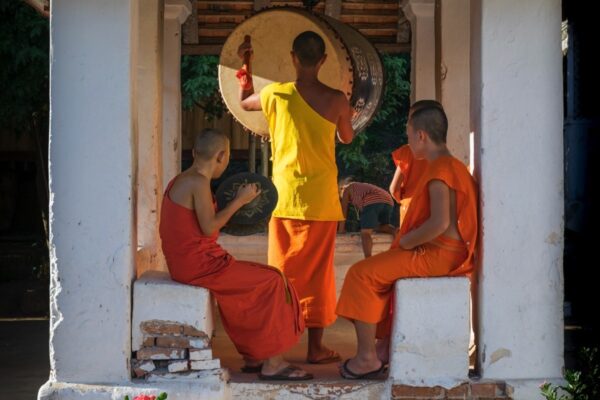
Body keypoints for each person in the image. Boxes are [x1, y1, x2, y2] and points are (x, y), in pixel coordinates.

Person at [335, 103, 478, 379]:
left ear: (421, 136)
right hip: (443, 252)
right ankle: (385, 347)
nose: (409, 141)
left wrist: (408, 241)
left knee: (360, 274)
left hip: (436, 255)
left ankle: (366, 360)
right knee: (379, 275)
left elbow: (439, 223)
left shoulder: (439, 171)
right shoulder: (452, 165)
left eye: (409, 134)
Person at [236, 31, 355, 364]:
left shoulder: (275, 94)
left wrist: (246, 65)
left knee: (281, 275)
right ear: (323, 60)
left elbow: (245, 102)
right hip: (320, 200)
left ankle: (275, 348)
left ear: (292, 57)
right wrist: (345, 115)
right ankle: (315, 349)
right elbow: (347, 137)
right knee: (319, 277)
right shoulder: (336, 100)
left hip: (284, 199)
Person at [159, 128, 312, 381]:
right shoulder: (197, 182)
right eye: (227, 156)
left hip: (194, 262)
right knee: (273, 281)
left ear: (196, 152)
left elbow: (201, 226)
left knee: (263, 278)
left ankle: (255, 356)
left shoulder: (183, 179)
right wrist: (240, 200)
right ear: (221, 156)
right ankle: (273, 363)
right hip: (199, 265)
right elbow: (209, 227)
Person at [388, 100, 442, 227]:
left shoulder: (408, 151)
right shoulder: (442, 153)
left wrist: (405, 199)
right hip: (433, 213)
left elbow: (394, 188)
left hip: (410, 212)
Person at [337, 178, 396, 258]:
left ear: (341, 189)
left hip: (372, 200)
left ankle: (368, 259)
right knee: (383, 226)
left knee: (365, 232)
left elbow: (344, 209)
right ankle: (396, 232)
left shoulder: (347, 189)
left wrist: (341, 230)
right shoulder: (360, 188)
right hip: (388, 201)